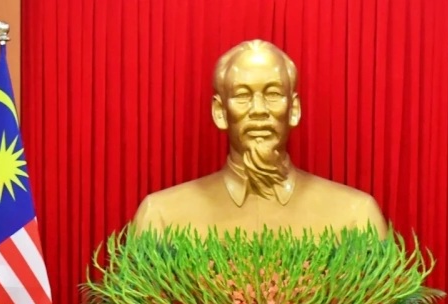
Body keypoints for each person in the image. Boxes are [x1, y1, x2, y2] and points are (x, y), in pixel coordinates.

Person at [131, 39, 388, 236]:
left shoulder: (356, 217)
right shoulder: (161, 217)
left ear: (294, 109)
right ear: (220, 112)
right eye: (242, 95)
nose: (258, 110)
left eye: (273, 94)